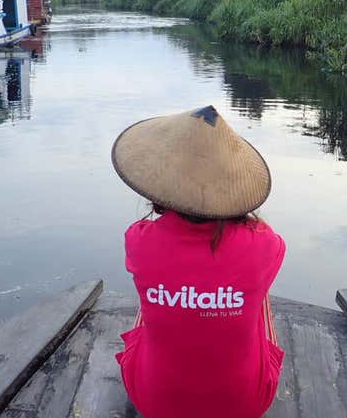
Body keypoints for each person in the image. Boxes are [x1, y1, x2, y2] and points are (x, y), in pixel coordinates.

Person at [112, 105, 286, 418]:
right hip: (245, 405)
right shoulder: (264, 244)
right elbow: (269, 241)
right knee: (258, 289)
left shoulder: (139, 241)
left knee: (152, 284)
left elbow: (149, 240)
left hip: (154, 402)